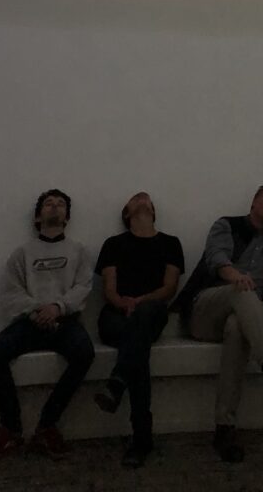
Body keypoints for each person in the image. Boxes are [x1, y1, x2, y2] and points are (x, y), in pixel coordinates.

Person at [174, 182, 263, 462]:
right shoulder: (227, 225)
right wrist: (234, 275)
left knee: (237, 327)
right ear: (254, 202)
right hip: (206, 310)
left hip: (245, 317)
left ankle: (224, 427)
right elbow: (216, 256)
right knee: (242, 291)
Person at [0, 189, 95, 458]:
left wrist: (57, 308)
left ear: (67, 216)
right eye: (48, 204)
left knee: (85, 354)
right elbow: (12, 291)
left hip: (65, 321)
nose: (54, 208)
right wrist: (36, 311)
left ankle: (47, 426)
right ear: (37, 217)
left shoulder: (78, 251)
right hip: (30, 322)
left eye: (59, 205)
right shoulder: (22, 253)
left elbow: (83, 287)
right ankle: (10, 429)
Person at [93, 191, 184, 467]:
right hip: (116, 316)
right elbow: (109, 288)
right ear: (126, 213)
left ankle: (118, 382)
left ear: (154, 212)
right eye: (136, 199)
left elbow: (169, 288)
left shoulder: (170, 243)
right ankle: (141, 437)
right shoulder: (113, 244)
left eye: (147, 200)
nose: (143, 200)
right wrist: (124, 303)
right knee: (137, 347)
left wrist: (140, 302)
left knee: (141, 325)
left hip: (151, 312)